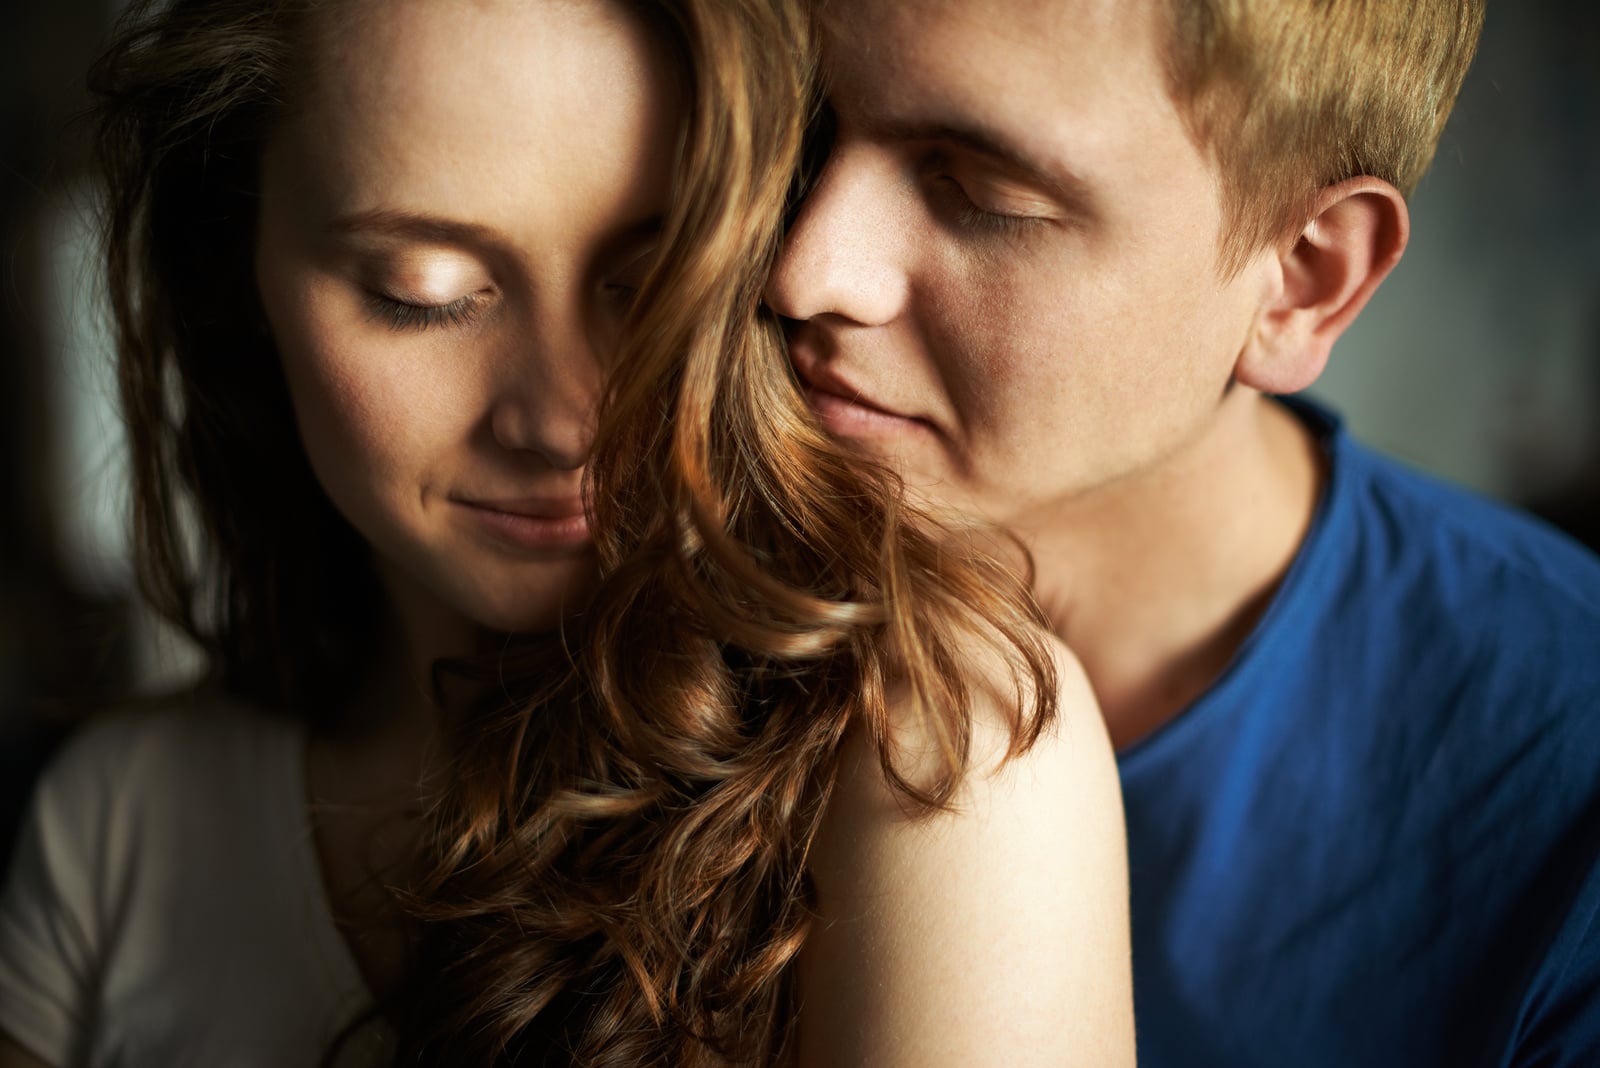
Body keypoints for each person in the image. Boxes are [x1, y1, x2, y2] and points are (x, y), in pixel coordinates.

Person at [0, 0, 1134, 1065]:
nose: (559, 422)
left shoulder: (938, 746)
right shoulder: (116, 821)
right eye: (423, 291)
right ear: (236, 270)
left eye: (652, 283)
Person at [765, 0, 1600, 1064]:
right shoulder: (604, 561)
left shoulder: (1565, 799)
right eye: (802, 132)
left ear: (1302, 281)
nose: (808, 271)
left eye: (981, 194)